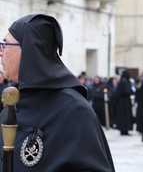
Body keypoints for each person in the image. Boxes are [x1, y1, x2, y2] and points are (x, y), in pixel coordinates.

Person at [0, 14, 115, 171]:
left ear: (29, 50)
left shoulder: (75, 110)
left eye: (5, 45)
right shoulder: (15, 101)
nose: (1, 52)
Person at [115, 70, 134, 135]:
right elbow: (128, 91)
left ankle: (123, 130)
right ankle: (125, 130)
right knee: (125, 116)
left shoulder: (122, 81)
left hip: (121, 102)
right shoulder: (125, 81)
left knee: (122, 116)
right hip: (125, 102)